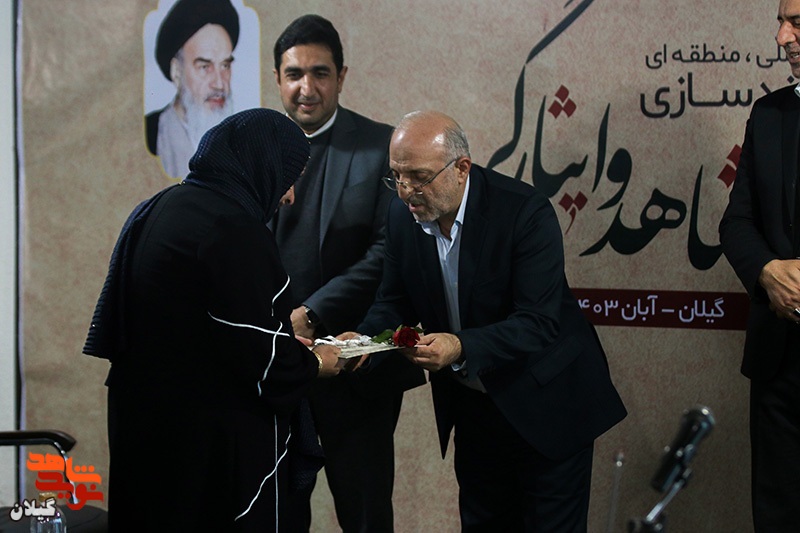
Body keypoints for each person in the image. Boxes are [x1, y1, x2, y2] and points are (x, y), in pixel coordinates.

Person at [350, 110, 627, 531]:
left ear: (461, 168)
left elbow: (538, 322)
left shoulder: (524, 211)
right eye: (397, 177)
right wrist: (363, 341)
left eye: (419, 178)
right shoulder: (402, 215)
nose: (406, 192)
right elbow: (394, 300)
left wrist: (460, 346)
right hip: (475, 409)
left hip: (547, 404)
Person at [83, 108, 346, 531]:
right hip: (205, 444)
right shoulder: (233, 229)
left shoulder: (158, 207)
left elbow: (200, 329)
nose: (289, 196)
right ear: (262, 165)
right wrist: (317, 361)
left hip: (145, 430)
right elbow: (264, 363)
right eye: (289, 177)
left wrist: (282, 342)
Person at [270, 14, 425, 532]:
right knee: (277, 514)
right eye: (294, 74)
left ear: (341, 76)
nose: (306, 88)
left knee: (364, 515)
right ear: (277, 79)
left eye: (320, 73)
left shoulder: (382, 148)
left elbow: (389, 251)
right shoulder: (256, 150)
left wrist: (313, 313)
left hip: (355, 365)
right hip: (277, 363)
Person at [719, 1, 800, 530]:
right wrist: (767, 270)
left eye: (797, 23)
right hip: (781, 365)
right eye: (781, 22)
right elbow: (736, 223)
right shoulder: (769, 115)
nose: (781, 37)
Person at [145, 0, 238, 178]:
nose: (219, 84)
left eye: (225, 66)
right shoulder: (151, 134)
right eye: (205, 67)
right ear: (176, 72)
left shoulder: (242, 139)